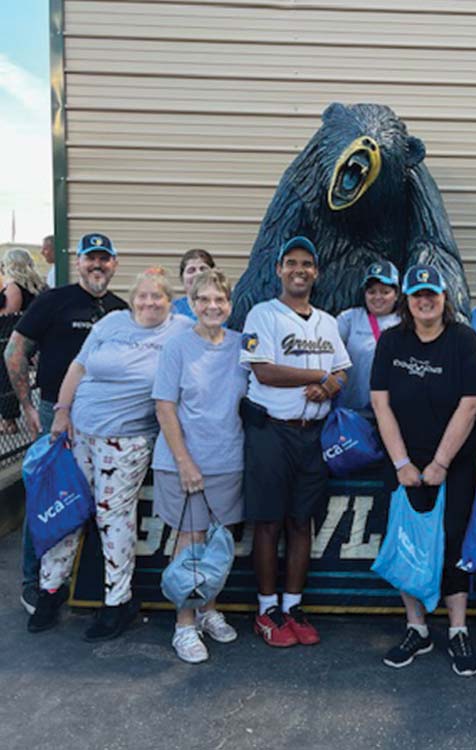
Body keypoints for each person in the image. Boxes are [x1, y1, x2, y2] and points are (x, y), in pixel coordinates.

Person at [26, 267, 192, 638]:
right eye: (143, 296)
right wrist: (63, 411)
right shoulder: (112, 322)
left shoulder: (179, 330)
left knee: (111, 517)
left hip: (128, 440)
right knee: (66, 507)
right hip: (80, 431)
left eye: (158, 297)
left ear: (170, 301)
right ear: (132, 300)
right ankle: (50, 590)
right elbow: (78, 367)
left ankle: (117, 602)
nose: (149, 303)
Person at [371, 263, 476, 677]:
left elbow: (471, 404)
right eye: (417, 294)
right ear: (407, 299)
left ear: (444, 298)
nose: (425, 301)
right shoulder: (391, 341)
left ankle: (457, 630)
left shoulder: (464, 340)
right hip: (403, 460)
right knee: (407, 539)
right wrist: (402, 462)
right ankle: (416, 627)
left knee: (452, 540)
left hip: (453, 461)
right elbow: (380, 403)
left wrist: (440, 462)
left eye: (432, 294)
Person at [5, 232, 128, 616]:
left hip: (104, 421)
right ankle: (33, 584)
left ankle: (78, 584)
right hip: (56, 415)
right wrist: (27, 406)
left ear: (114, 264)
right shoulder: (53, 301)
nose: (97, 265)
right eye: (90, 258)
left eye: (104, 259)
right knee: (47, 499)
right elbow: (15, 351)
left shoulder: (121, 310)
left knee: (93, 504)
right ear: (78, 263)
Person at [241, 236, 351, 648]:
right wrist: (317, 378)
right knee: (268, 522)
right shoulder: (261, 314)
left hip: (312, 434)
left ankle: (292, 605)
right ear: (279, 270)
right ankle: (266, 608)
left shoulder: (326, 320)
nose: (299, 270)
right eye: (291, 263)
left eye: (307, 263)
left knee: (301, 522)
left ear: (316, 272)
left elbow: (342, 371)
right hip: (271, 429)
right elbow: (264, 371)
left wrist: (330, 386)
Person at [152, 269, 247, 663]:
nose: (212, 306)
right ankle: (184, 625)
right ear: (191, 304)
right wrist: (185, 461)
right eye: (203, 300)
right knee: (189, 545)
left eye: (219, 300)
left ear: (229, 304)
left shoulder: (242, 346)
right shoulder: (177, 346)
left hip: (228, 459)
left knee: (217, 547)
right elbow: (164, 406)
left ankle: (207, 610)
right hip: (183, 463)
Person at [336, 261, 400, 416]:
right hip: (353, 413)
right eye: (372, 292)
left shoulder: (407, 322)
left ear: (396, 294)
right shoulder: (349, 318)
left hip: (393, 413)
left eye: (385, 292)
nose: (378, 297)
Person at [0, 248, 46, 434]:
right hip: (26, 339)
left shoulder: (14, 287)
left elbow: (8, 314)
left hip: (9, 339)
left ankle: (9, 421)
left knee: (5, 380)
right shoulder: (36, 286)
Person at [171, 248, 216, 320]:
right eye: (191, 270)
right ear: (182, 278)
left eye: (203, 269)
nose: (198, 274)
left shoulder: (224, 307)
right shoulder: (171, 309)